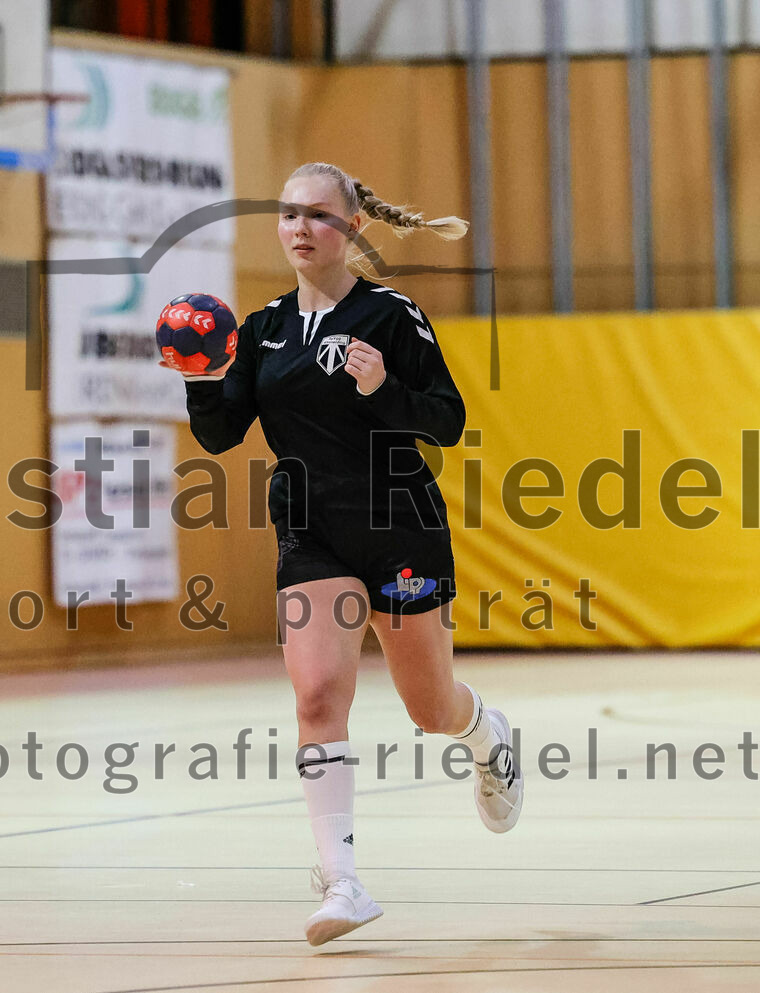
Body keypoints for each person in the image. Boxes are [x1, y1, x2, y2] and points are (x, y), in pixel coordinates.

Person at [175, 162, 523, 946]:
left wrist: (382, 390)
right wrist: (200, 375)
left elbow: (448, 419)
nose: (300, 228)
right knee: (316, 697)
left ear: (353, 226)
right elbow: (222, 433)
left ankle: (486, 735)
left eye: (318, 215)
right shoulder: (262, 329)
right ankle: (343, 881)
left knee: (430, 709)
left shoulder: (391, 315)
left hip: (399, 525)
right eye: (288, 214)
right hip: (312, 531)